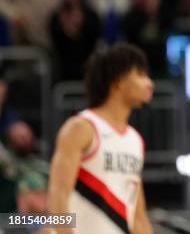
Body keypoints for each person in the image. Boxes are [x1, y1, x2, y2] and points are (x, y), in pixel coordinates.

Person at [47, 43, 154, 233]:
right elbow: (58, 195)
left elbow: (138, 216)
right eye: (140, 75)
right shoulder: (81, 128)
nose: (149, 83)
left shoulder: (135, 140)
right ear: (118, 81)